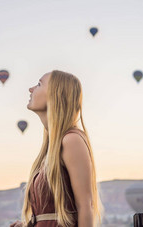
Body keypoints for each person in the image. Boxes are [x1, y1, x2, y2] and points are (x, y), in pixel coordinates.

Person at [10, 70, 104, 227]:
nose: (31, 89)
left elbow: (86, 207)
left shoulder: (71, 140)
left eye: (39, 84)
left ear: (55, 95)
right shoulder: (50, 150)